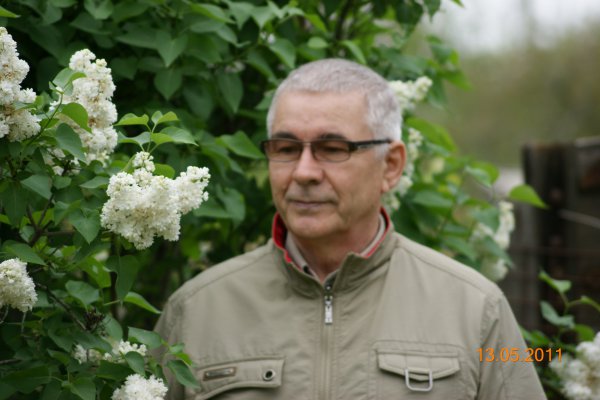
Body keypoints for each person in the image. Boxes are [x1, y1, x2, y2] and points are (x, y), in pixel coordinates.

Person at [154, 59, 546, 399]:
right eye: (286, 149)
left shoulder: (476, 310)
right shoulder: (196, 312)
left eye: (333, 149)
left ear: (391, 165)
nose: (304, 172)